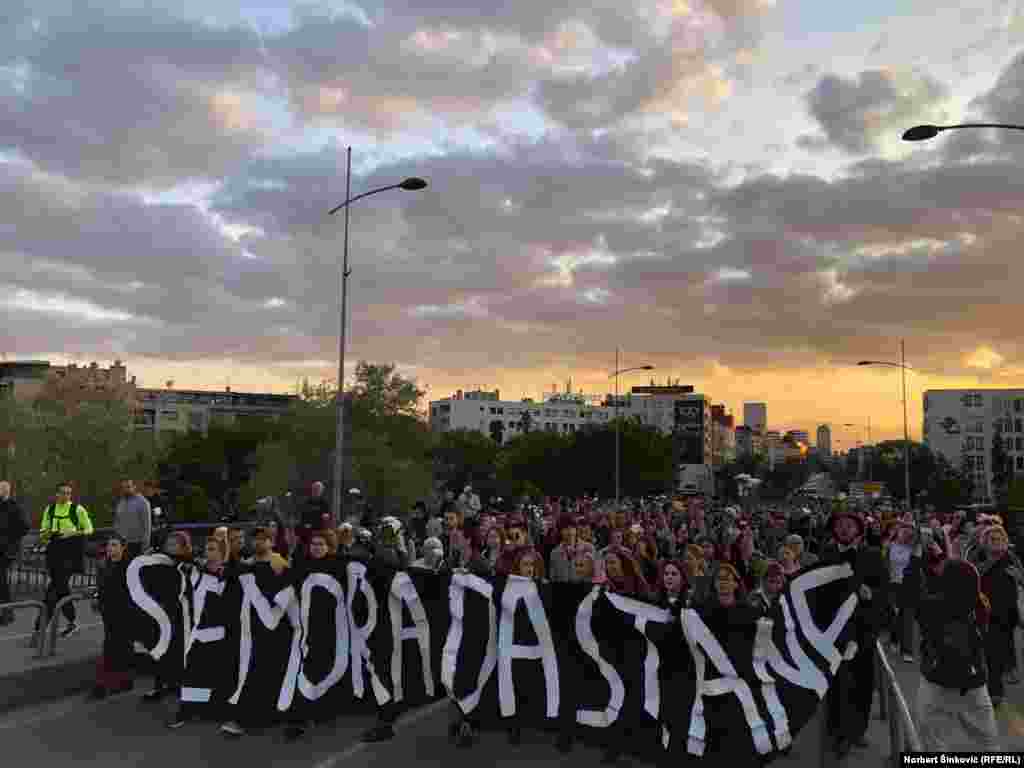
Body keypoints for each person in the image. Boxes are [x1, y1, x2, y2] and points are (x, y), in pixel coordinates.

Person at [822, 510, 889, 757]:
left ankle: (857, 730)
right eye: (840, 525)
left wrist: (871, 596)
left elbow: (884, 591)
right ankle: (837, 730)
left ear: (859, 531)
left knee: (861, 682)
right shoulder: (827, 554)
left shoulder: (871, 555)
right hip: (833, 632)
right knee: (836, 682)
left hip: (862, 631)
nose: (844, 529)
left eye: (850, 525)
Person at [917, 558, 1000, 751]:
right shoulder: (979, 605)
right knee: (988, 740)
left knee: (934, 741)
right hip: (972, 681)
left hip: (937, 680)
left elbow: (915, 597)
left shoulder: (930, 606)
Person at [38, 482, 94, 639]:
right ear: (56, 494)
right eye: (62, 492)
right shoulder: (49, 510)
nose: (65, 496)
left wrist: (73, 533)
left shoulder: (78, 509)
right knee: (60, 589)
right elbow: (43, 532)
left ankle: (40, 627)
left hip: (71, 555)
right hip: (54, 554)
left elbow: (89, 529)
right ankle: (72, 621)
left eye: (68, 493)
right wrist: (46, 534)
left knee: (54, 590)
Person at [979, 524, 1020, 708]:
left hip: (1008, 614)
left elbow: (1021, 578)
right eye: (993, 539)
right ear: (985, 542)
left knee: (1000, 653)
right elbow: (974, 573)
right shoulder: (980, 556)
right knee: (991, 654)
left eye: (1000, 539)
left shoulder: (1011, 558)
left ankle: (997, 684)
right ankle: (995, 692)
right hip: (987, 613)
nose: (997, 542)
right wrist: (993, 559)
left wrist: (1019, 577)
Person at [90, 534, 134, 699]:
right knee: (113, 645)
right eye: (109, 545)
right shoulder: (103, 565)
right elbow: (101, 587)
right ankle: (117, 681)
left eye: (115, 545)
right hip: (108, 610)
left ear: (123, 548)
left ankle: (109, 683)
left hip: (125, 611)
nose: (111, 549)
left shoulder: (130, 567)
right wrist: (97, 599)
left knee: (119, 646)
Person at [0, 480, 28, 625]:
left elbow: (24, 527)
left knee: (2, 583)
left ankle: (7, 614)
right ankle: (6, 613)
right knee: (2, 583)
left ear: (6, 490)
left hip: (6, 551)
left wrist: (8, 538)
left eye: (1, 489)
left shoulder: (15, 507)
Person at [114, 478, 152, 560]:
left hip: (137, 544)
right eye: (123, 487)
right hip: (122, 544)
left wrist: (145, 546)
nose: (125, 489)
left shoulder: (143, 502)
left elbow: (147, 525)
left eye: (128, 487)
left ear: (134, 487)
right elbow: (117, 522)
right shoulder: (121, 502)